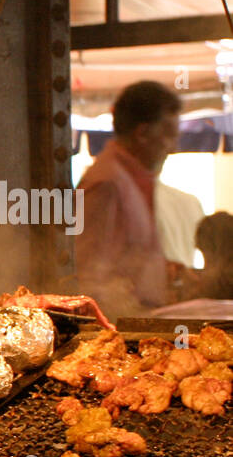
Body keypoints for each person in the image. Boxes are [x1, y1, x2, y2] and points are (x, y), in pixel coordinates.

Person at [75, 80, 181, 318]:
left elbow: (127, 257)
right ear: (142, 133)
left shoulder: (130, 179)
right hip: (120, 328)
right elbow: (88, 273)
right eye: (169, 136)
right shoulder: (107, 183)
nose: (173, 148)